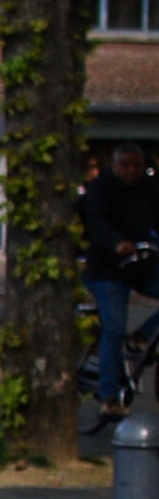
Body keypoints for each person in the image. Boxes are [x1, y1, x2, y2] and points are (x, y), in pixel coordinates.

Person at [81, 141, 159, 418]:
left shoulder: (149, 190)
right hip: (107, 271)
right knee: (114, 327)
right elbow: (96, 222)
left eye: (136, 165)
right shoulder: (101, 190)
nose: (131, 171)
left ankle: (142, 337)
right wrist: (116, 243)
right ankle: (109, 395)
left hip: (142, 266)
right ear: (114, 166)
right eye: (125, 165)